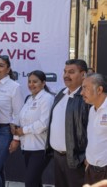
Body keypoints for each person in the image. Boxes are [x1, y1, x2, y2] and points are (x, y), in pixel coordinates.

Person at [46, 59, 90, 187]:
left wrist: (86, 156)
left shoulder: (87, 97)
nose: (66, 75)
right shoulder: (61, 94)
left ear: (83, 75)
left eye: (71, 72)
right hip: (58, 158)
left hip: (77, 160)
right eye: (65, 71)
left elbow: (93, 129)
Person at [0, 54, 24, 187]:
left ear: (8, 70)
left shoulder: (14, 87)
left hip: (4, 132)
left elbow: (18, 114)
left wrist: (16, 139)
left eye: (1, 66)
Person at [13, 70, 54, 187]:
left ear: (43, 83)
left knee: (30, 182)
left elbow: (43, 124)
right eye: (29, 81)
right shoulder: (29, 99)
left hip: (40, 149)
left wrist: (23, 131)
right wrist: (16, 133)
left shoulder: (47, 99)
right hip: (27, 147)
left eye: (35, 82)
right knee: (35, 182)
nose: (31, 84)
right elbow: (21, 119)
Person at [81, 73, 107, 185]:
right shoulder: (92, 110)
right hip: (91, 169)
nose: (81, 93)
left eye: (85, 88)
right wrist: (89, 158)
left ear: (99, 89)